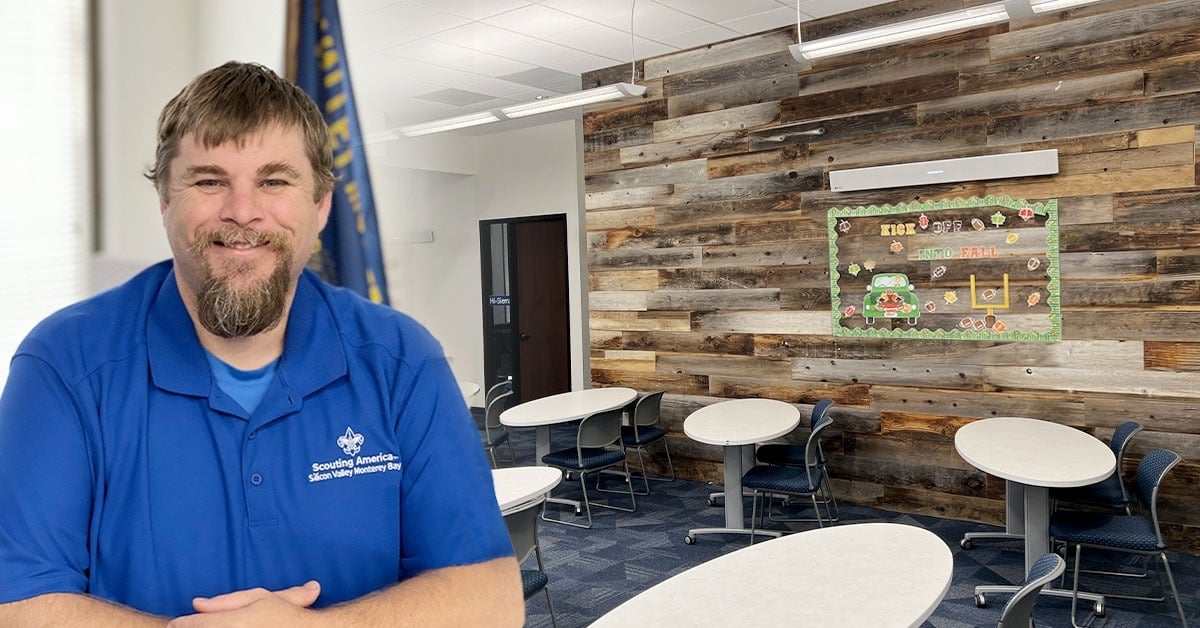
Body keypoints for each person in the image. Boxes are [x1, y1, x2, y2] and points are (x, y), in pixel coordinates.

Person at [0, 61, 523, 626]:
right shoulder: (62, 364)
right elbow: (18, 601)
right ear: (164, 200)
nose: (243, 211)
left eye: (274, 181)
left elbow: (490, 597)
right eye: (208, 180)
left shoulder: (403, 360)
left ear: (320, 205)